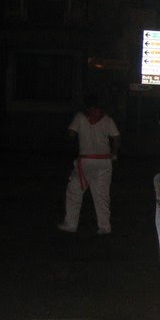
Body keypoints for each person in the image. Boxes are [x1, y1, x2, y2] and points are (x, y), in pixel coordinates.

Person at [58, 91, 120, 234]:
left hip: (86, 160)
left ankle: (71, 224)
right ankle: (104, 227)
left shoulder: (80, 117)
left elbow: (71, 135)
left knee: (74, 191)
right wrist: (114, 153)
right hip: (104, 160)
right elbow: (116, 137)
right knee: (102, 194)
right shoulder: (107, 119)